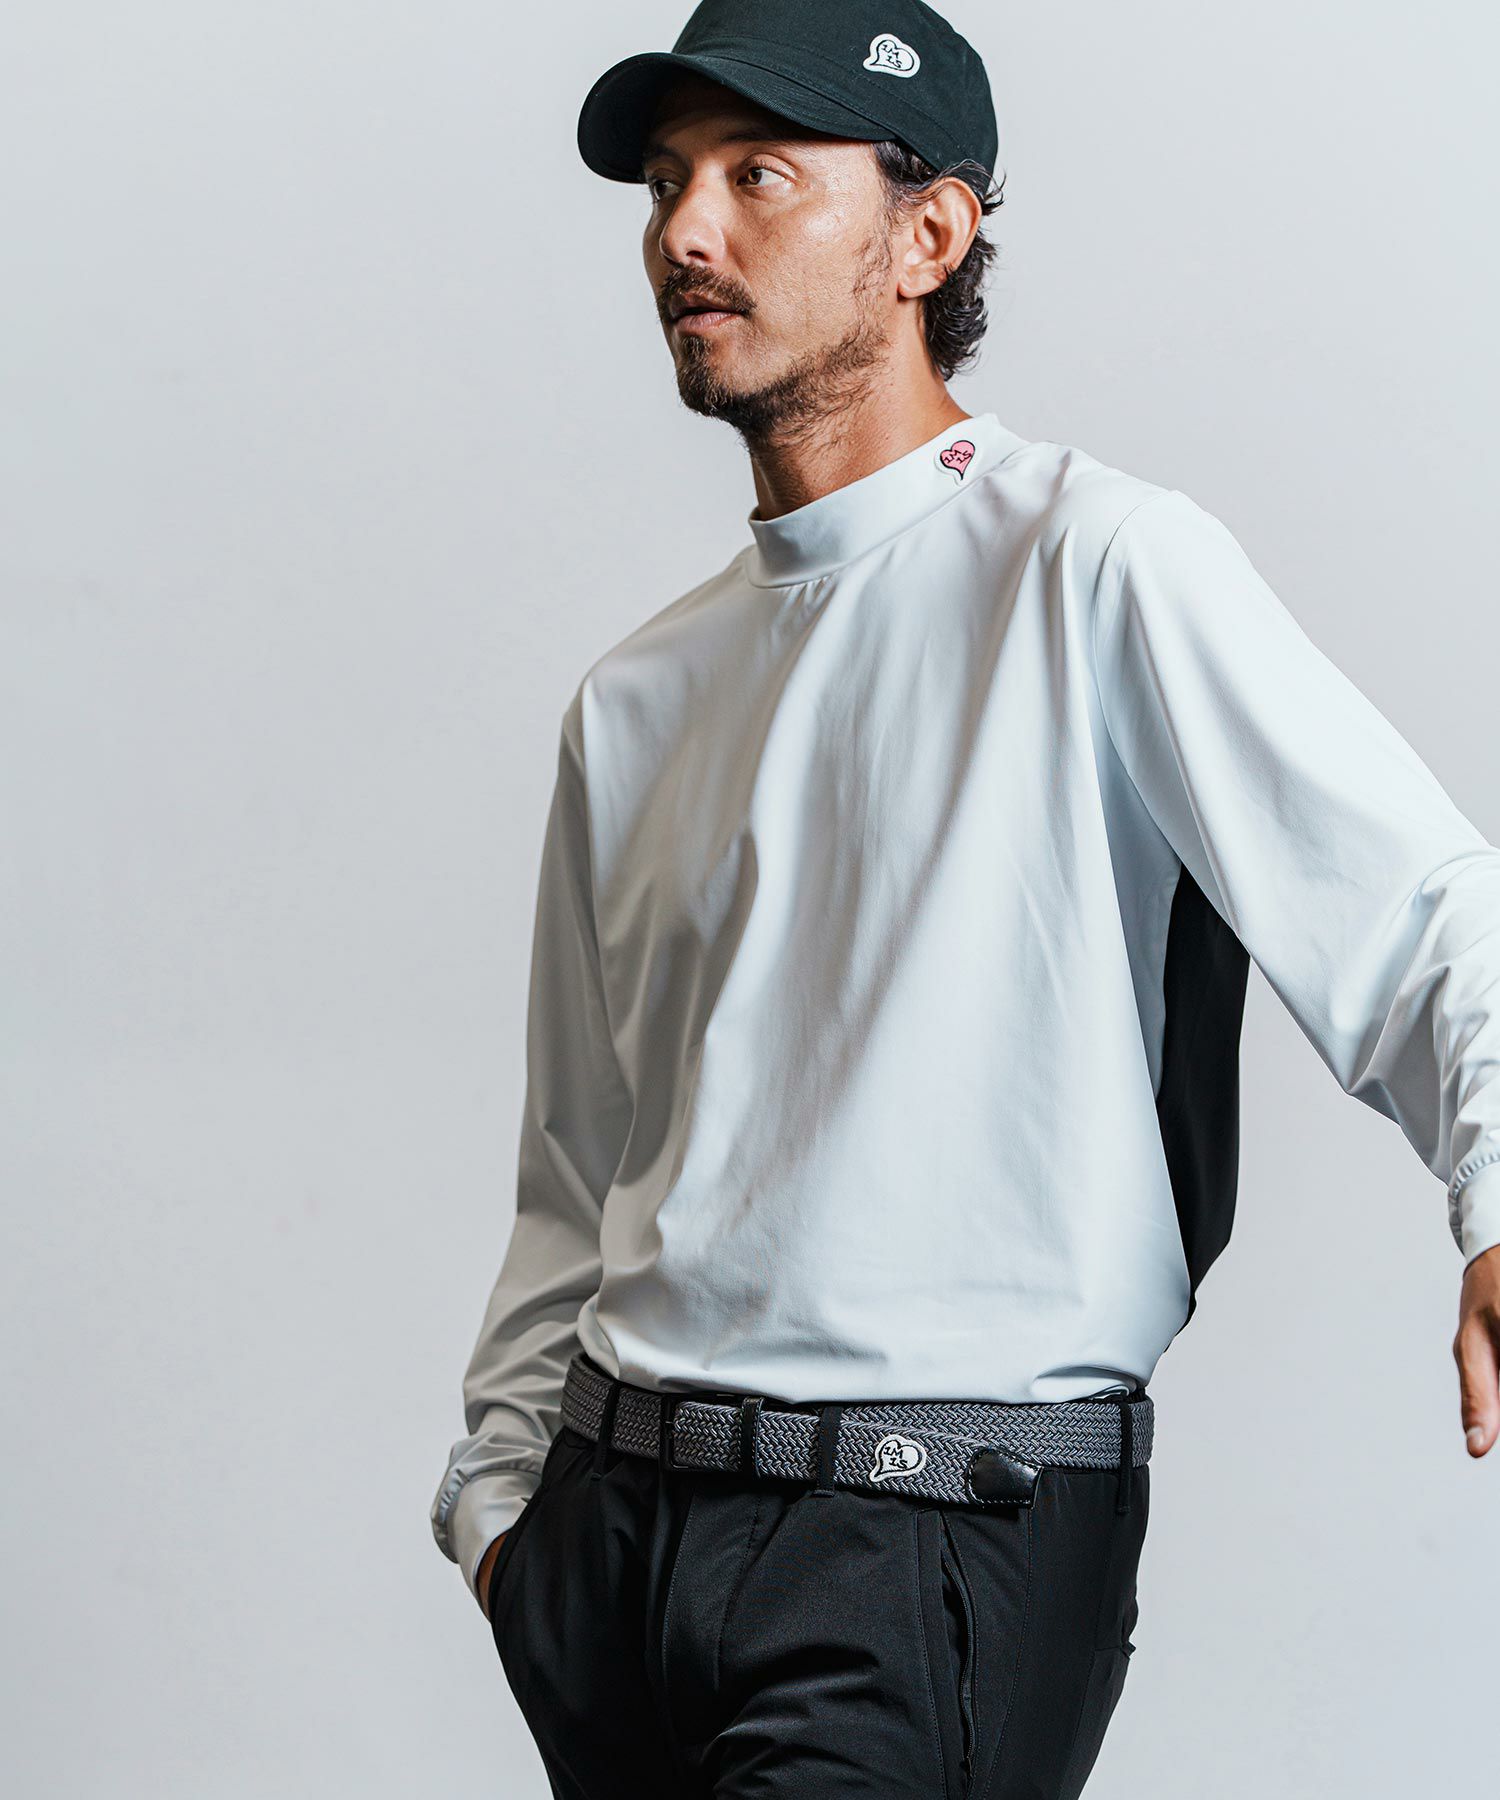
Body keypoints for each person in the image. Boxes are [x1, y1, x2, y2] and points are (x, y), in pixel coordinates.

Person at [430, 2, 1500, 1793]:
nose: (687, 231)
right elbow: (579, 1169)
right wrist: (501, 1518)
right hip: (609, 1549)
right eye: (669, 183)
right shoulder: (635, 699)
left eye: (760, 175)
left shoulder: (1100, 567)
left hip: (928, 1538)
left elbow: (1421, 914)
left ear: (931, 233)